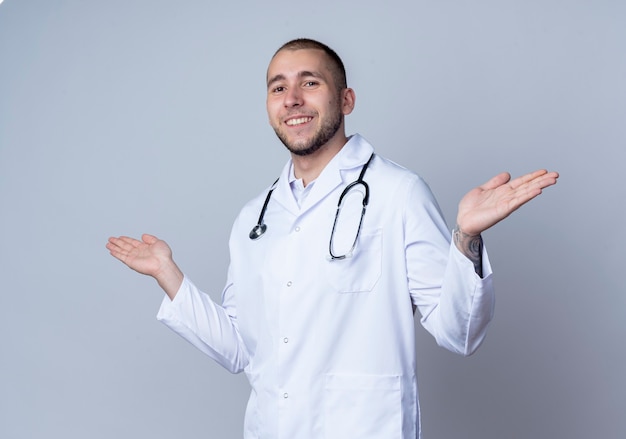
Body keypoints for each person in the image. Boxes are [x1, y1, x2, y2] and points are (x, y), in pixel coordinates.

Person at [106, 38, 558, 439]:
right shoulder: (254, 219)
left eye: (310, 83)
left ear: (346, 99)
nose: (293, 99)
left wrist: (467, 238)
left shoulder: (397, 193)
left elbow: (459, 332)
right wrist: (169, 274)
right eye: (278, 88)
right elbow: (241, 350)